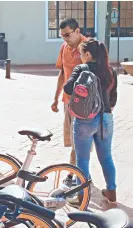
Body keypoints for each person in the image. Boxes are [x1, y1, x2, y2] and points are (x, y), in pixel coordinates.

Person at [64, 38, 118, 204]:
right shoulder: (110, 71)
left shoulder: (81, 69)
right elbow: (113, 98)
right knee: (107, 158)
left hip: (85, 119)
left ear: (88, 54)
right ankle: (111, 193)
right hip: (106, 118)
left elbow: (67, 88)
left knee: (82, 159)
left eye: (81, 54)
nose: (80, 57)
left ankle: (82, 197)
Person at [51, 18, 88, 186]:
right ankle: (80, 173)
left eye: (67, 35)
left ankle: (74, 175)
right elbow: (62, 73)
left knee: (79, 140)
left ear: (77, 31)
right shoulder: (64, 47)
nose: (65, 38)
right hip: (68, 101)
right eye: (62, 36)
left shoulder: (88, 48)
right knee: (73, 140)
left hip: (84, 104)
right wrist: (56, 98)